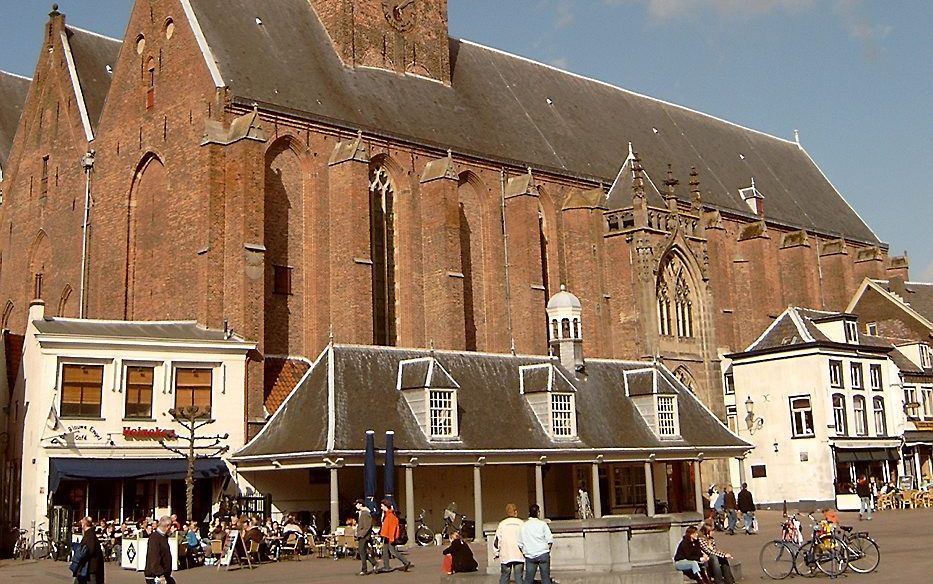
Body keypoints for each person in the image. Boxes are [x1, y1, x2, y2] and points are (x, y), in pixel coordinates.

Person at [517, 504, 552, 584]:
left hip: (530, 554)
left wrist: (524, 552)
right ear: (538, 513)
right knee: (546, 579)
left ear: (529, 513)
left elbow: (520, 543)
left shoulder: (524, 526)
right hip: (543, 552)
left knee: (528, 580)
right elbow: (549, 540)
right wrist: (547, 550)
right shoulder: (543, 524)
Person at [494, 503, 525, 584]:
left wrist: (496, 552)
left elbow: (497, 540)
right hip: (519, 555)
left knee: (504, 576)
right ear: (515, 512)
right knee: (519, 578)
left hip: (506, 555)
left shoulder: (502, 524)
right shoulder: (521, 523)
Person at [378, 499, 412, 573]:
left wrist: (391, 538)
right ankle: (386, 566)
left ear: (385, 506)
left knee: (393, 551)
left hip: (390, 537)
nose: (381, 508)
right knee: (385, 551)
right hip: (387, 536)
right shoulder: (387, 515)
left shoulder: (391, 516)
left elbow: (392, 529)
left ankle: (405, 562)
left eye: (382, 506)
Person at [71, 516, 105, 584]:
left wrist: (80, 555)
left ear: (84, 524)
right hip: (88, 566)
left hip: (90, 566)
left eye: (82, 523)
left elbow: (90, 550)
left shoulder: (90, 535)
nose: (81, 525)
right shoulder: (90, 534)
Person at [144, 516, 175, 584]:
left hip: (164, 574)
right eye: (171, 527)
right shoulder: (155, 538)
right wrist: (160, 575)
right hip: (155, 576)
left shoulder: (163, 537)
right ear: (167, 526)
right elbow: (154, 558)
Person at [355, 499, 379, 575]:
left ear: (360, 504)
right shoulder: (362, 513)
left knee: (362, 552)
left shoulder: (365, 513)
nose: (356, 505)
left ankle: (364, 569)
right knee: (362, 551)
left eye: (357, 504)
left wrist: (361, 534)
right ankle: (374, 563)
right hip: (362, 535)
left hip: (364, 536)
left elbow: (367, 526)